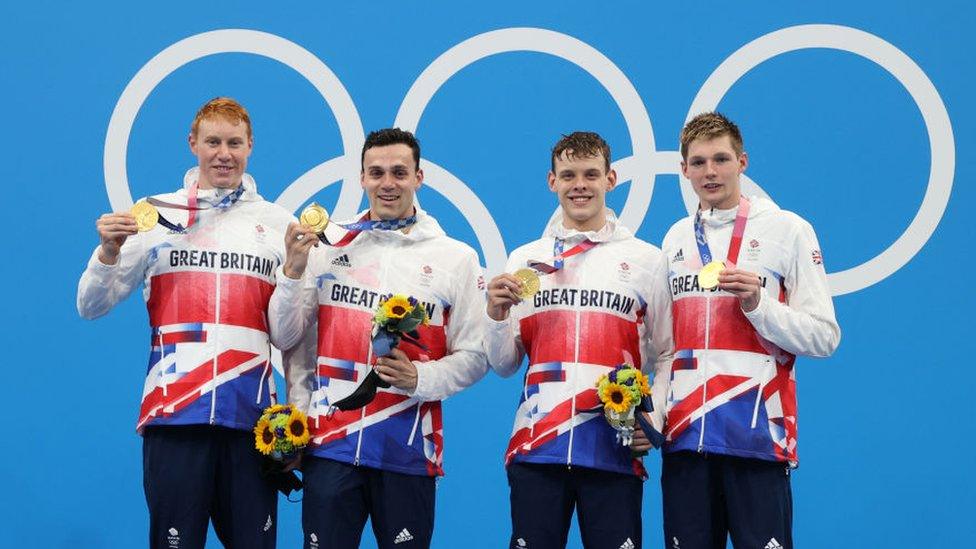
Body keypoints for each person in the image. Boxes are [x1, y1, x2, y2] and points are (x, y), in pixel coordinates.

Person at [77, 97, 306, 548]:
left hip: (252, 422)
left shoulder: (278, 223)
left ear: (250, 146)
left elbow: (288, 336)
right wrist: (107, 253)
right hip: (175, 414)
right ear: (193, 144)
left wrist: (295, 273)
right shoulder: (154, 215)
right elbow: (91, 304)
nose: (224, 153)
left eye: (235, 143)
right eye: (214, 142)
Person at [268, 128, 488, 549]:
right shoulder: (327, 246)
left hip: (406, 451)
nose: (388, 183)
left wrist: (419, 379)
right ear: (362, 178)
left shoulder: (454, 258)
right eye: (377, 172)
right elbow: (287, 338)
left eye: (399, 172)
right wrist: (292, 273)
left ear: (419, 178)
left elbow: (476, 356)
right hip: (329, 445)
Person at [654, 112, 841, 549]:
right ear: (683, 171)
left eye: (721, 159)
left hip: (756, 436)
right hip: (685, 441)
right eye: (698, 163)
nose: (710, 172)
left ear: (743, 161)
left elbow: (824, 336)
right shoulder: (675, 239)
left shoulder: (788, 230)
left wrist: (759, 305)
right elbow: (665, 349)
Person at [484, 132, 672, 549]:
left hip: (613, 450)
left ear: (612, 179)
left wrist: (652, 419)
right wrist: (495, 316)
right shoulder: (523, 259)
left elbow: (668, 352)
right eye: (568, 175)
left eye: (591, 174)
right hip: (537, 447)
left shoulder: (646, 259)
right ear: (552, 181)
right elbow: (504, 363)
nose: (579, 185)